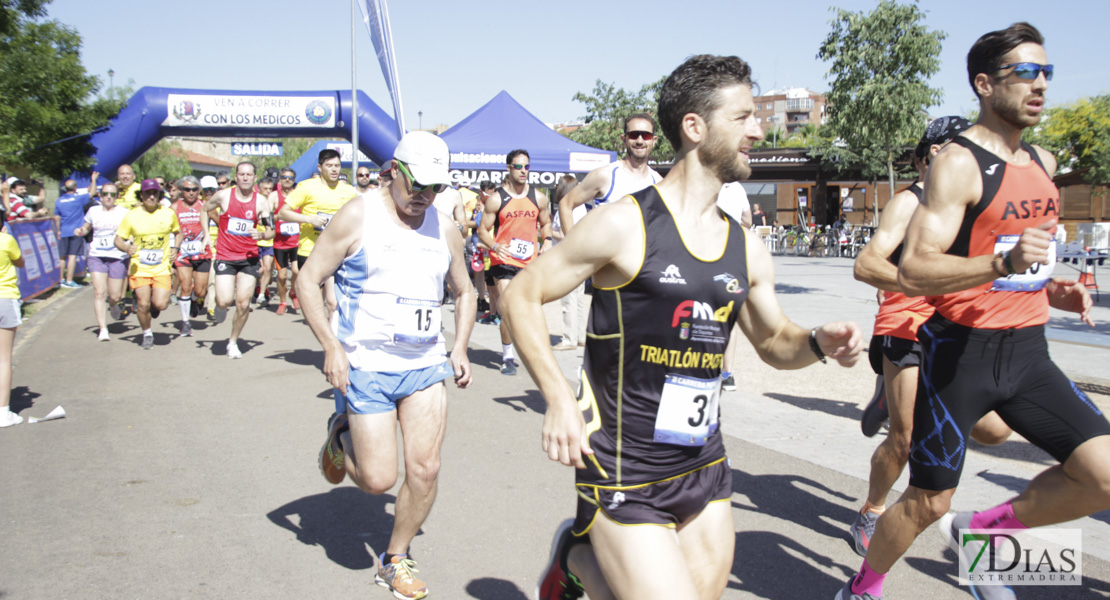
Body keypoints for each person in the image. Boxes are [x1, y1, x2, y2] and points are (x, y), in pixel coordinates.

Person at [502, 54, 862, 600]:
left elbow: (772, 341)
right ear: (695, 127)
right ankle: (580, 553)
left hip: (704, 462)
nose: (758, 130)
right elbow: (523, 296)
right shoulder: (625, 224)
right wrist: (556, 398)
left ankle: (576, 563)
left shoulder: (745, 246)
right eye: (742, 118)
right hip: (624, 463)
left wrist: (816, 342)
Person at [838, 23, 1110, 600]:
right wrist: (1001, 263)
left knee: (1104, 477)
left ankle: (982, 537)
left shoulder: (1044, 159)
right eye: (1026, 74)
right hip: (960, 355)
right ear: (985, 85)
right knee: (928, 500)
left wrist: (1054, 285)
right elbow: (913, 269)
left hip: (1030, 353)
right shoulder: (958, 164)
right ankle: (862, 588)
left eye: (1046, 72)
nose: (1040, 86)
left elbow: (1024, 258)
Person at [301, 131, 475, 600]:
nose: (425, 196)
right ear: (393, 170)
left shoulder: (444, 226)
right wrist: (330, 347)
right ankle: (340, 434)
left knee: (426, 468)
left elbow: (466, 290)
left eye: (436, 188)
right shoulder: (358, 214)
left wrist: (459, 346)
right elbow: (308, 278)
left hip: (424, 363)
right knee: (379, 481)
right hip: (367, 363)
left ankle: (395, 559)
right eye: (418, 183)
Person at [848, 116, 1012, 560]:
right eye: (957, 148)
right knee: (904, 439)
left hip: (958, 327)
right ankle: (872, 510)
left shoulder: (971, 201)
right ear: (932, 155)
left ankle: (889, 392)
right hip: (907, 324)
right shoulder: (910, 202)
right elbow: (866, 265)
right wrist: (920, 284)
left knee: (995, 429)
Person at [476, 149, 553, 376]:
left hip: (529, 262)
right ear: (508, 168)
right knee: (509, 308)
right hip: (504, 261)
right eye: (518, 166)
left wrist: (547, 241)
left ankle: (532, 353)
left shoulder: (538, 198)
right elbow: (482, 231)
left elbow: (546, 224)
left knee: (529, 310)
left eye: (526, 166)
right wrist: (494, 246)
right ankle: (508, 356)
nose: (523, 171)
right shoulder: (497, 199)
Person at [275, 149, 357, 316]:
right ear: (320, 167)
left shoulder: (349, 191)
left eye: (337, 166)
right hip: (311, 250)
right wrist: (309, 219)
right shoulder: (306, 187)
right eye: (329, 166)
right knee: (315, 303)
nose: (334, 169)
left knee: (332, 303)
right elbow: (283, 213)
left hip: (337, 250)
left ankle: (332, 339)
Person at [204, 162, 273, 359]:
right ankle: (220, 305)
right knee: (225, 300)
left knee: (243, 304)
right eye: (241, 174)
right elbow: (204, 209)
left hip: (249, 258)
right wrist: (206, 236)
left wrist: (261, 236)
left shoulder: (261, 202)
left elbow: (271, 230)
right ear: (236, 176)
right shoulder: (224, 195)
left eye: (248, 175)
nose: (245, 178)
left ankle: (233, 341)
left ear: (254, 177)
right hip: (226, 255)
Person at [557, 113, 663, 235]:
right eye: (633, 135)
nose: (639, 141)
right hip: (604, 253)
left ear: (654, 140)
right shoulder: (605, 175)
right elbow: (565, 203)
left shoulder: (658, 182)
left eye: (646, 135)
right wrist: (572, 247)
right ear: (624, 139)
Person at [114, 179, 182, 350]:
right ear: (141, 195)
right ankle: (147, 333)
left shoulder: (168, 213)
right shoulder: (132, 215)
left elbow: (178, 233)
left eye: (155, 193)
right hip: (140, 267)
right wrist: (126, 248)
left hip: (161, 268)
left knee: (161, 304)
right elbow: (118, 240)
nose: (151, 196)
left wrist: (175, 247)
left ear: (159, 195)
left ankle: (154, 305)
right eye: (147, 193)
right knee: (142, 304)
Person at [73, 182, 129, 340]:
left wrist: (129, 244)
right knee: (99, 292)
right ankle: (103, 329)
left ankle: (113, 305)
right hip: (97, 254)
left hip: (117, 256)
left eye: (112, 194)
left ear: (117, 196)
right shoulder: (93, 210)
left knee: (115, 295)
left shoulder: (124, 212)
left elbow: (130, 231)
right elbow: (86, 227)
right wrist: (81, 231)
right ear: (100, 196)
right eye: (105, 194)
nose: (108, 197)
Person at [171, 175, 213, 337]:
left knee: (201, 291)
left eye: (194, 189)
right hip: (183, 253)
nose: (190, 193)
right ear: (181, 190)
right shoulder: (174, 208)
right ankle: (185, 322)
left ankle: (195, 300)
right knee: (186, 286)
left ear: (199, 190)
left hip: (202, 252)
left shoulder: (206, 206)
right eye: (187, 189)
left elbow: (220, 221)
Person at [550, 175, 588, 351]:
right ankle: (580, 336)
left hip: (568, 258)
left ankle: (569, 339)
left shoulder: (567, 207)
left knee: (568, 301)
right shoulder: (580, 207)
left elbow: (566, 235)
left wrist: (550, 231)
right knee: (578, 300)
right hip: (580, 257)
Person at [0, 218, 23, 427]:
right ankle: (3, 412)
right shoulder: (6, 240)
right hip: (5, 297)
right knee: (3, 359)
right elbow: (20, 262)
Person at [55, 175, 97, 287]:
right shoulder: (78, 199)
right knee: (72, 256)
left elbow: (57, 217)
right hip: (76, 231)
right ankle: (69, 280)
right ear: (75, 188)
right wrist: (93, 180)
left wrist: (58, 230)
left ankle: (60, 280)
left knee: (62, 257)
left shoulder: (59, 201)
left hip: (63, 231)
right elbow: (92, 192)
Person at [270, 168, 300, 315]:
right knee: (282, 276)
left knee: (296, 270)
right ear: (280, 180)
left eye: (290, 178)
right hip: (280, 243)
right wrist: (281, 216)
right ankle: (282, 301)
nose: (287, 180)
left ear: (294, 180)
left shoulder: (298, 195)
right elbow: (267, 218)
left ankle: (293, 292)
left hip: (296, 241)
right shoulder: (274, 197)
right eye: (284, 177)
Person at [255, 176, 277, 308]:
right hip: (255, 240)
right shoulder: (255, 201)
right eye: (265, 188)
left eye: (270, 189)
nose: (268, 191)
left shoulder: (272, 202)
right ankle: (258, 287)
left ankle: (261, 295)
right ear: (259, 188)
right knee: (260, 269)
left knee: (267, 268)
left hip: (268, 240)